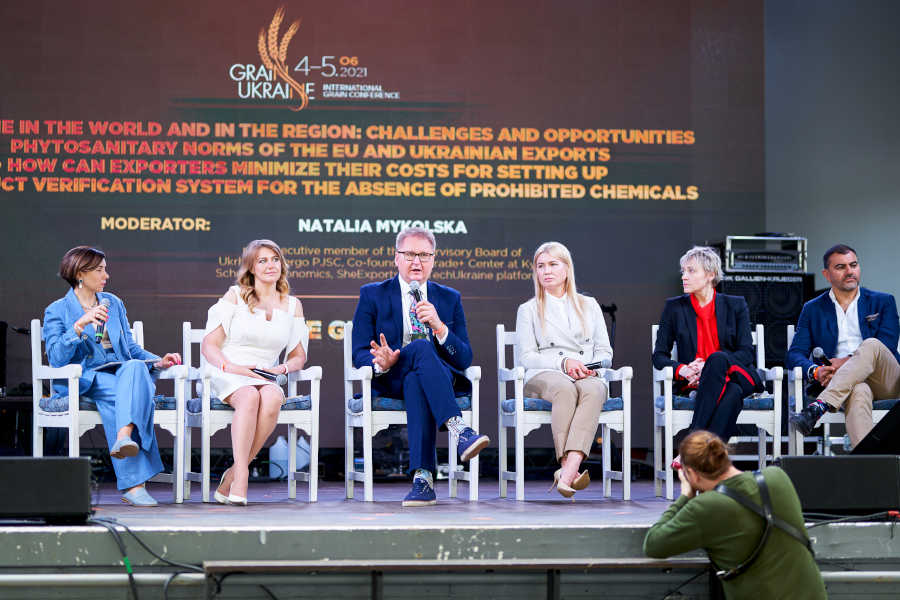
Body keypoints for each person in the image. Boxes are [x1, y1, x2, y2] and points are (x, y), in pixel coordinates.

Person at [351, 226, 489, 507]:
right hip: (391, 377)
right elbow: (359, 351)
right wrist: (381, 362)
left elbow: (464, 358)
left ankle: (422, 481)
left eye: (424, 255)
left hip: (434, 378)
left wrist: (439, 327)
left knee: (418, 377)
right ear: (396, 258)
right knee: (420, 350)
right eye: (410, 254)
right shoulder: (373, 294)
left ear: (433, 260)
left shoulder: (449, 298)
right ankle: (459, 430)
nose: (417, 261)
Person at [42, 246, 182, 506]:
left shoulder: (113, 303)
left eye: (105, 269)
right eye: (99, 270)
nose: (106, 275)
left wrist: (157, 361)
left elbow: (130, 348)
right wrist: (80, 325)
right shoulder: (57, 310)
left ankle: (123, 439)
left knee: (135, 368)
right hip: (84, 377)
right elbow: (56, 358)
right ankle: (133, 482)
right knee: (129, 390)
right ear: (80, 274)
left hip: (121, 373)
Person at [643, 431, 826, 600]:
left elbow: (653, 544)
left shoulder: (706, 507)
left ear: (691, 473)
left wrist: (685, 496)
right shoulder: (778, 477)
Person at [201, 239, 309, 505]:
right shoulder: (235, 296)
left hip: (264, 374)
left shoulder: (293, 305)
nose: (270, 265)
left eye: (275, 259)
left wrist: (281, 368)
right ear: (251, 267)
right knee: (249, 396)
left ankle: (234, 472)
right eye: (262, 260)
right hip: (228, 368)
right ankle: (242, 476)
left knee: (272, 397)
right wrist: (233, 367)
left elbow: (298, 356)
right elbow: (209, 346)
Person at [514, 241, 613, 497]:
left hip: (584, 373)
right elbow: (526, 357)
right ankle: (569, 469)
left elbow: (605, 351)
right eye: (540, 266)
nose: (546, 271)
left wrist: (592, 368)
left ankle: (568, 469)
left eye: (553, 264)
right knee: (564, 389)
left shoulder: (589, 304)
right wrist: (563, 363)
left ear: (567, 269)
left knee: (593, 389)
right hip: (544, 375)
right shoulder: (528, 309)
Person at [652, 246, 762, 464]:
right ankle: (706, 461)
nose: (684, 276)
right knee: (732, 394)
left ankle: (691, 444)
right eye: (683, 271)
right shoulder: (674, 308)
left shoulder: (735, 305)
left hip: (738, 375)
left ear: (711, 274)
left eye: (691, 270)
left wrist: (709, 365)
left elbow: (746, 353)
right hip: (698, 383)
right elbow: (659, 356)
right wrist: (682, 369)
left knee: (717, 359)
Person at [788, 244, 900, 446]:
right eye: (841, 267)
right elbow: (794, 354)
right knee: (859, 391)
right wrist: (816, 371)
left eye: (853, 265)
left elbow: (888, 345)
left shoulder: (883, 301)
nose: (849, 271)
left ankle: (819, 406)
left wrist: (843, 363)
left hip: (886, 380)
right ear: (827, 274)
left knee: (872, 344)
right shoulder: (812, 309)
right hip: (843, 384)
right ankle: (868, 461)